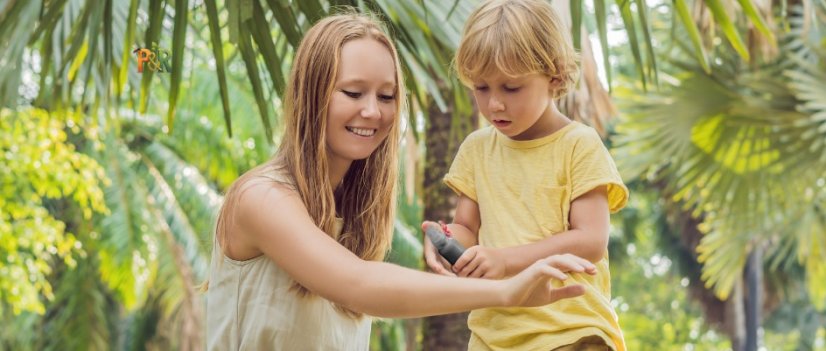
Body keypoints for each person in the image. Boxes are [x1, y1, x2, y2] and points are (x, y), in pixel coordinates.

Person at [205, 10, 597, 351]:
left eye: (388, 96)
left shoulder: (353, 216)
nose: (373, 112)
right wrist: (505, 292)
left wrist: (452, 243)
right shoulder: (260, 199)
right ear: (311, 95)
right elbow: (360, 284)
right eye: (353, 92)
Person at [422, 0, 630, 350]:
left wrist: (504, 260)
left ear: (555, 76)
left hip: (572, 331)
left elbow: (591, 240)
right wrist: (446, 240)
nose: (494, 105)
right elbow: (468, 230)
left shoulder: (579, 144)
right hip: (493, 335)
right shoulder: (476, 148)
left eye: (511, 88)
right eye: (481, 88)